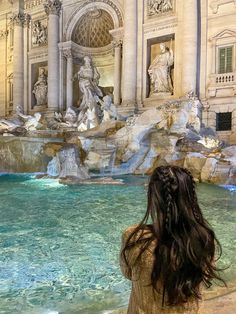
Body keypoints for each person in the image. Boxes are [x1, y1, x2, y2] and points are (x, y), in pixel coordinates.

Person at [120, 166, 225, 314]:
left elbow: (128, 273)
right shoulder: (204, 239)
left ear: (153, 198)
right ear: (190, 196)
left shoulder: (135, 238)